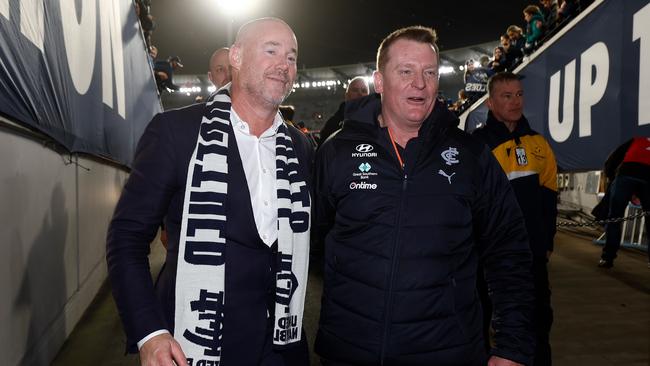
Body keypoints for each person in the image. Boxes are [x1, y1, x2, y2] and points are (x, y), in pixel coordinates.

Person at [314, 26, 535, 366]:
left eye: (429, 73)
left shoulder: (470, 156)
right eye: (406, 71)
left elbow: (509, 250)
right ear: (379, 81)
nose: (420, 83)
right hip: (350, 350)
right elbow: (313, 243)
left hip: (446, 351)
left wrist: (513, 347)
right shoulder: (337, 152)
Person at [107, 17, 313, 366]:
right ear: (236, 57)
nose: (284, 65)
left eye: (291, 57)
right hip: (195, 346)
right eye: (271, 51)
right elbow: (126, 238)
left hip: (282, 345)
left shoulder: (301, 147)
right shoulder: (175, 133)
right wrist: (149, 333)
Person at [472, 72, 558, 366]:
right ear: (491, 101)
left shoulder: (539, 144)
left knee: (537, 321)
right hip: (487, 256)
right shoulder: (476, 146)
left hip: (530, 253)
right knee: (479, 320)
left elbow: (549, 197)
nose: (515, 101)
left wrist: (546, 241)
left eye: (519, 94)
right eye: (506, 96)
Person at [597, 137, 650, 268]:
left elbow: (611, 161)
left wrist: (612, 180)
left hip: (626, 174)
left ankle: (607, 258)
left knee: (614, 217)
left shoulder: (636, 140)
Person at [317, 76, 369, 146]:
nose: (360, 94)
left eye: (364, 91)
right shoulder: (332, 124)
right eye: (355, 90)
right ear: (347, 96)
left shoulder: (378, 123)